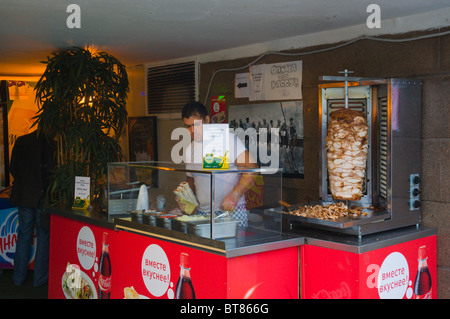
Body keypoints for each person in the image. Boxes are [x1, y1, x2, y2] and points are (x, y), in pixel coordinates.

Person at [181, 101, 258, 227]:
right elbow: (191, 179)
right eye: (188, 126)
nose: (192, 130)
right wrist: (184, 197)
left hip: (232, 212)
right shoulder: (190, 149)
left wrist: (235, 194)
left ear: (206, 120)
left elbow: (252, 169)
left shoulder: (228, 139)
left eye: (196, 125)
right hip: (203, 213)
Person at [9, 130, 55, 287]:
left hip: (24, 195)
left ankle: (18, 278)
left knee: (24, 235)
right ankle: (39, 280)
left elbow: (13, 168)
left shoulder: (22, 141)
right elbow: (52, 173)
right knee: (43, 236)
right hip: (43, 196)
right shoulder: (51, 145)